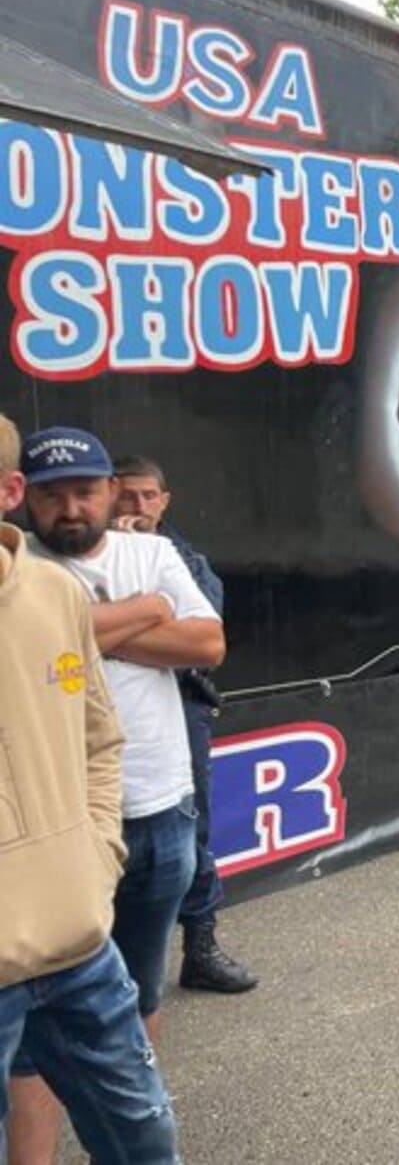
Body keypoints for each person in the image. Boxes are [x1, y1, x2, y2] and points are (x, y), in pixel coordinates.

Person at [8, 427, 223, 1164]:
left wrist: (89, 635)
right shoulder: (26, 571)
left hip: (155, 811)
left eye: (85, 490)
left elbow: (206, 644)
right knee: (34, 1044)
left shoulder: (153, 553)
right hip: (51, 862)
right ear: (23, 498)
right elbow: (152, 628)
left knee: (138, 996)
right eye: (53, 493)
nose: (72, 508)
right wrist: (143, 614)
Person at [112, 455, 257, 995]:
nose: (138, 507)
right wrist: (147, 616)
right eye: (127, 496)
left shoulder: (182, 557)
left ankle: (201, 946)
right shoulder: (80, 559)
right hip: (99, 720)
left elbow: (201, 640)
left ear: (165, 500)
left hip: (181, 711)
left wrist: (107, 634)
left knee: (191, 832)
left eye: (149, 496)